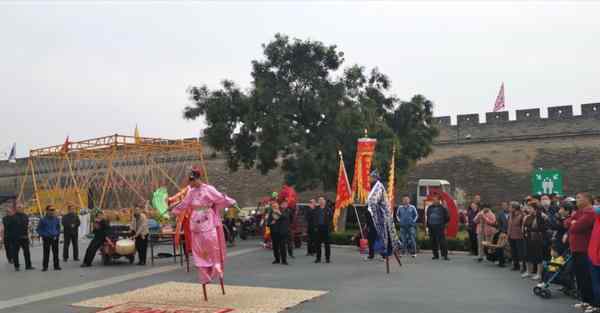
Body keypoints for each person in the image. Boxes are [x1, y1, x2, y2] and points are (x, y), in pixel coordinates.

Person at [565, 192, 595, 310]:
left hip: (584, 249)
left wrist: (573, 223)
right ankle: (585, 300)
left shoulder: (590, 212)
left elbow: (576, 227)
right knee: (580, 277)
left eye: (578, 198)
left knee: (587, 277)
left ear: (587, 199)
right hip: (576, 249)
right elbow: (566, 222)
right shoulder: (579, 212)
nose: (576, 200)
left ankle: (592, 303)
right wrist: (572, 222)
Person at [366, 170, 402, 263]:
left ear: (375, 178)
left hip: (381, 215)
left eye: (371, 177)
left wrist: (370, 203)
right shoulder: (373, 187)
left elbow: (374, 200)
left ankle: (385, 253)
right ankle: (372, 253)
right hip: (374, 215)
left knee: (384, 235)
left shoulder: (378, 186)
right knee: (372, 235)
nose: (369, 179)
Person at [6, 204, 34, 271]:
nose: (20, 208)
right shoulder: (12, 217)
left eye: (21, 207)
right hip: (16, 238)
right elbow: (8, 227)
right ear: (16, 209)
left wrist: (28, 235)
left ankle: (28, 266)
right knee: (15, 253)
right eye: (19, 207)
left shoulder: (25, 216)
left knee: (27, 252)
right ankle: (16, 266)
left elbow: (27, 226)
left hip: (24, 237)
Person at [523, 203, 547, 281]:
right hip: (528, 238)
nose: (528, 210)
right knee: (528, 254)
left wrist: (530, 230)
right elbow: (525, 226)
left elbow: (543, 228)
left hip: (537, 239)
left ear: (535, 209)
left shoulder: (541, 216)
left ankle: (538, 274)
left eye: (530, 208)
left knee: (538, 256)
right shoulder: (527, 217)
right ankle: (528, 271)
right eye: (528, 208)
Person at [426, 194, 450, 260]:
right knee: (433, 241)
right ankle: (435, 255)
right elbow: (428, 216)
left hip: (440, 227)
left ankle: (444, 255)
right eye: (433, 200)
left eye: (435, 199)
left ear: (439, 200)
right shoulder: (430, 207)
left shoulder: (442, 207)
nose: (434, 201)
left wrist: (445, 208)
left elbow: (447, 217)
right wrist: (428, 225)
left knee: (442, 241)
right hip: (431, 227)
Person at [38, 205, 61, 271]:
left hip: (55, 238)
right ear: (47, 211)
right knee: (46, 253)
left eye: (53, 210)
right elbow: (39, 229)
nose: (52, 211)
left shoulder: (56, 219)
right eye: (51, 210)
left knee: (56, 253)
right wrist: (43, 235)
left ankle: (56, 266)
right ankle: (45, 267)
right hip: (46, 238)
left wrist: (57, 234)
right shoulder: (43, 220)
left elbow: (58, 227)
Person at [267, 200, 290, 265]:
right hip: (274, 232)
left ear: (278, 206)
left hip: (282, 232)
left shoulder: (284, 211)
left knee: (282, 246)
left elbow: (285, 217)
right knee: (275, 247)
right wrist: (271, 223)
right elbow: (268, 223)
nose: (274, 207)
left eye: (275, 206)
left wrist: (278, 212)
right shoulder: (271, 213)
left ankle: (284, 260)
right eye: (273, 206)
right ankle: (277, 259)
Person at [587, 204, 600, 313]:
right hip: (592, 256)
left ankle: (597, 305)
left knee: (596, 283)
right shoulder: (597, 221)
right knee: (595, 283)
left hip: (596, 258)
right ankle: (595, 304)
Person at [507, 201, 526, 272]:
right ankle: (515, 265)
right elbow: (509, 225)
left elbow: (523, 226)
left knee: (520, 252)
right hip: (511, 235)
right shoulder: (510, 215)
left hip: (519, 236)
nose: (509, 208)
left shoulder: (522, 215)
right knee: (513, 251)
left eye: (510, 207)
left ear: (515, 208)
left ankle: (522, 266)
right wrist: (508, 234)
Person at [314, 196, 333, 264]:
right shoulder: (316, 209)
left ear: (325, 201)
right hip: (318, 228)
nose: (321, 201)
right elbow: (314, 219)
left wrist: (329, 227)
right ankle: (318, 258)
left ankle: (327, 258)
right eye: (319, 200)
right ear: (318, 202)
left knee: (327, 244)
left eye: (322, 200)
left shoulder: (328, 209)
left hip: (326, 228)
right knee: (317, 244)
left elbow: (331, 219)